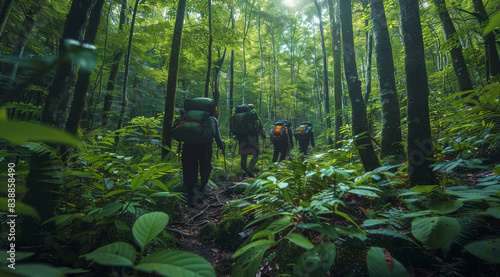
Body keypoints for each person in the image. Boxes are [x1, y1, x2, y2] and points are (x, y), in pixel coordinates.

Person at [172, 98, 224, 207]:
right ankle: (202, 189)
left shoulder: (185, 116)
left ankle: (190, 193)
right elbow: (217, 138)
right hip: (204, 147)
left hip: (187, 145)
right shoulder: (212, 119)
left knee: (189, 167)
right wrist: (222, 147)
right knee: (205, 167)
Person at [233, 104, 265, 178]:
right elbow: (260, 128)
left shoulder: (239, 116)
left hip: (241, 138)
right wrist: (263, 136)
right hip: (253, 137)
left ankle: (244, 171)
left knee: (243, 155)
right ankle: (250, 169)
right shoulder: (255, 117)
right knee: (256, 154)